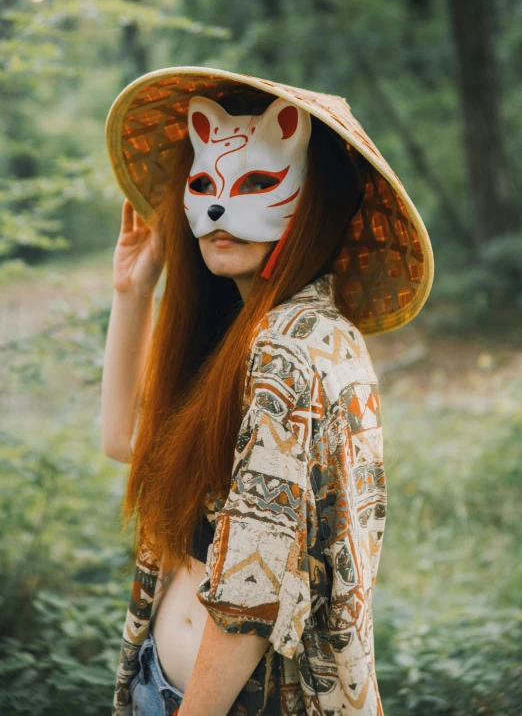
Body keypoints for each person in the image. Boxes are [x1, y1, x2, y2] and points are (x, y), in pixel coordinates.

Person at [102, 67, 434, 716]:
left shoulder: (291, 347)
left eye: (258, 181)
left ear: (314, 202)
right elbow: (124, 443)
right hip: (160, 682)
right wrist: (133, 291)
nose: (221, 206)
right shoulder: (243, 337)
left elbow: (250, 598)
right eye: (203, 185)